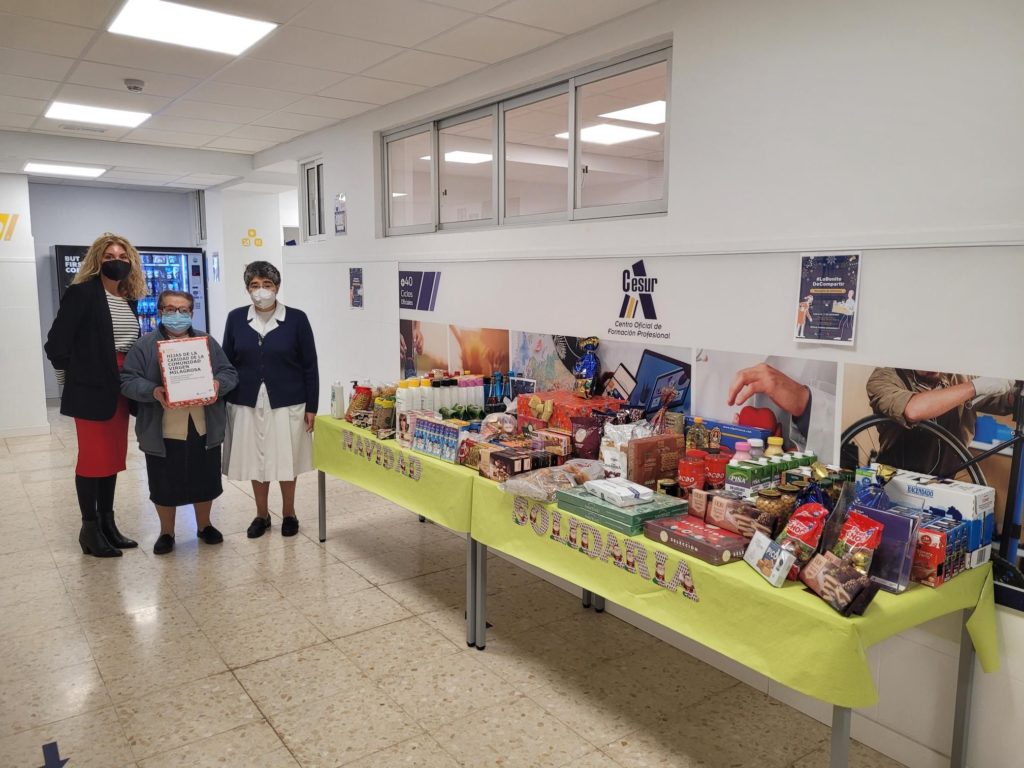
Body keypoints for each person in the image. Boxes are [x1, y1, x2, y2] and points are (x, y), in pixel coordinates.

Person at [44, 233, 146, 558]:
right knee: (92, 460)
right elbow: (56, 345)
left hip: (120, 389)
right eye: (108, 255)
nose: (116, 260)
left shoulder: (128, 298)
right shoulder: (82, 293)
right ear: (97, 261)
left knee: (113, 459)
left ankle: (107, 524)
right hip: (90, 389)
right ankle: (89, 529)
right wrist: (71, 379)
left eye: (122, 255)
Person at [121, 291, 238, 555]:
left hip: (201, 424)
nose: (177, 315)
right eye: (171, 309)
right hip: (163, 429)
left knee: (205, 478)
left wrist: (218, 384)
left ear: (191, 313)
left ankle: (205, 525)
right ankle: (166, 532)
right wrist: (154, 391)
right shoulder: (145, 345)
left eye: (184, 310)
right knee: (164, 483)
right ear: (160, 311)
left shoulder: (206, 341)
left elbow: (229, 372)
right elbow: (128, 380)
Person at [222, 261, 319, 538]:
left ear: (277, 287)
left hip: (288, 400)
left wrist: (312, 406)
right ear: (246, 289)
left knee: (286, 460)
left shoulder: (297, 319)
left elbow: (310, 365)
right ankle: (261, 514)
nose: (261, 291)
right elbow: (226, 363)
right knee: (256, 460)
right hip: (247, 401)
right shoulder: (236, 318)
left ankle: (289, 513)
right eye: (254, 286)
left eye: (267, 285)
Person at [866, 368, 1014, 476]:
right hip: (890, 477)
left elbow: (1001, 399)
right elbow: (913, 410)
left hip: (944, 478)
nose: (932, 366)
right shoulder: (884, 377)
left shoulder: (960, 375)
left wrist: (1013, 392)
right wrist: (973, 387)